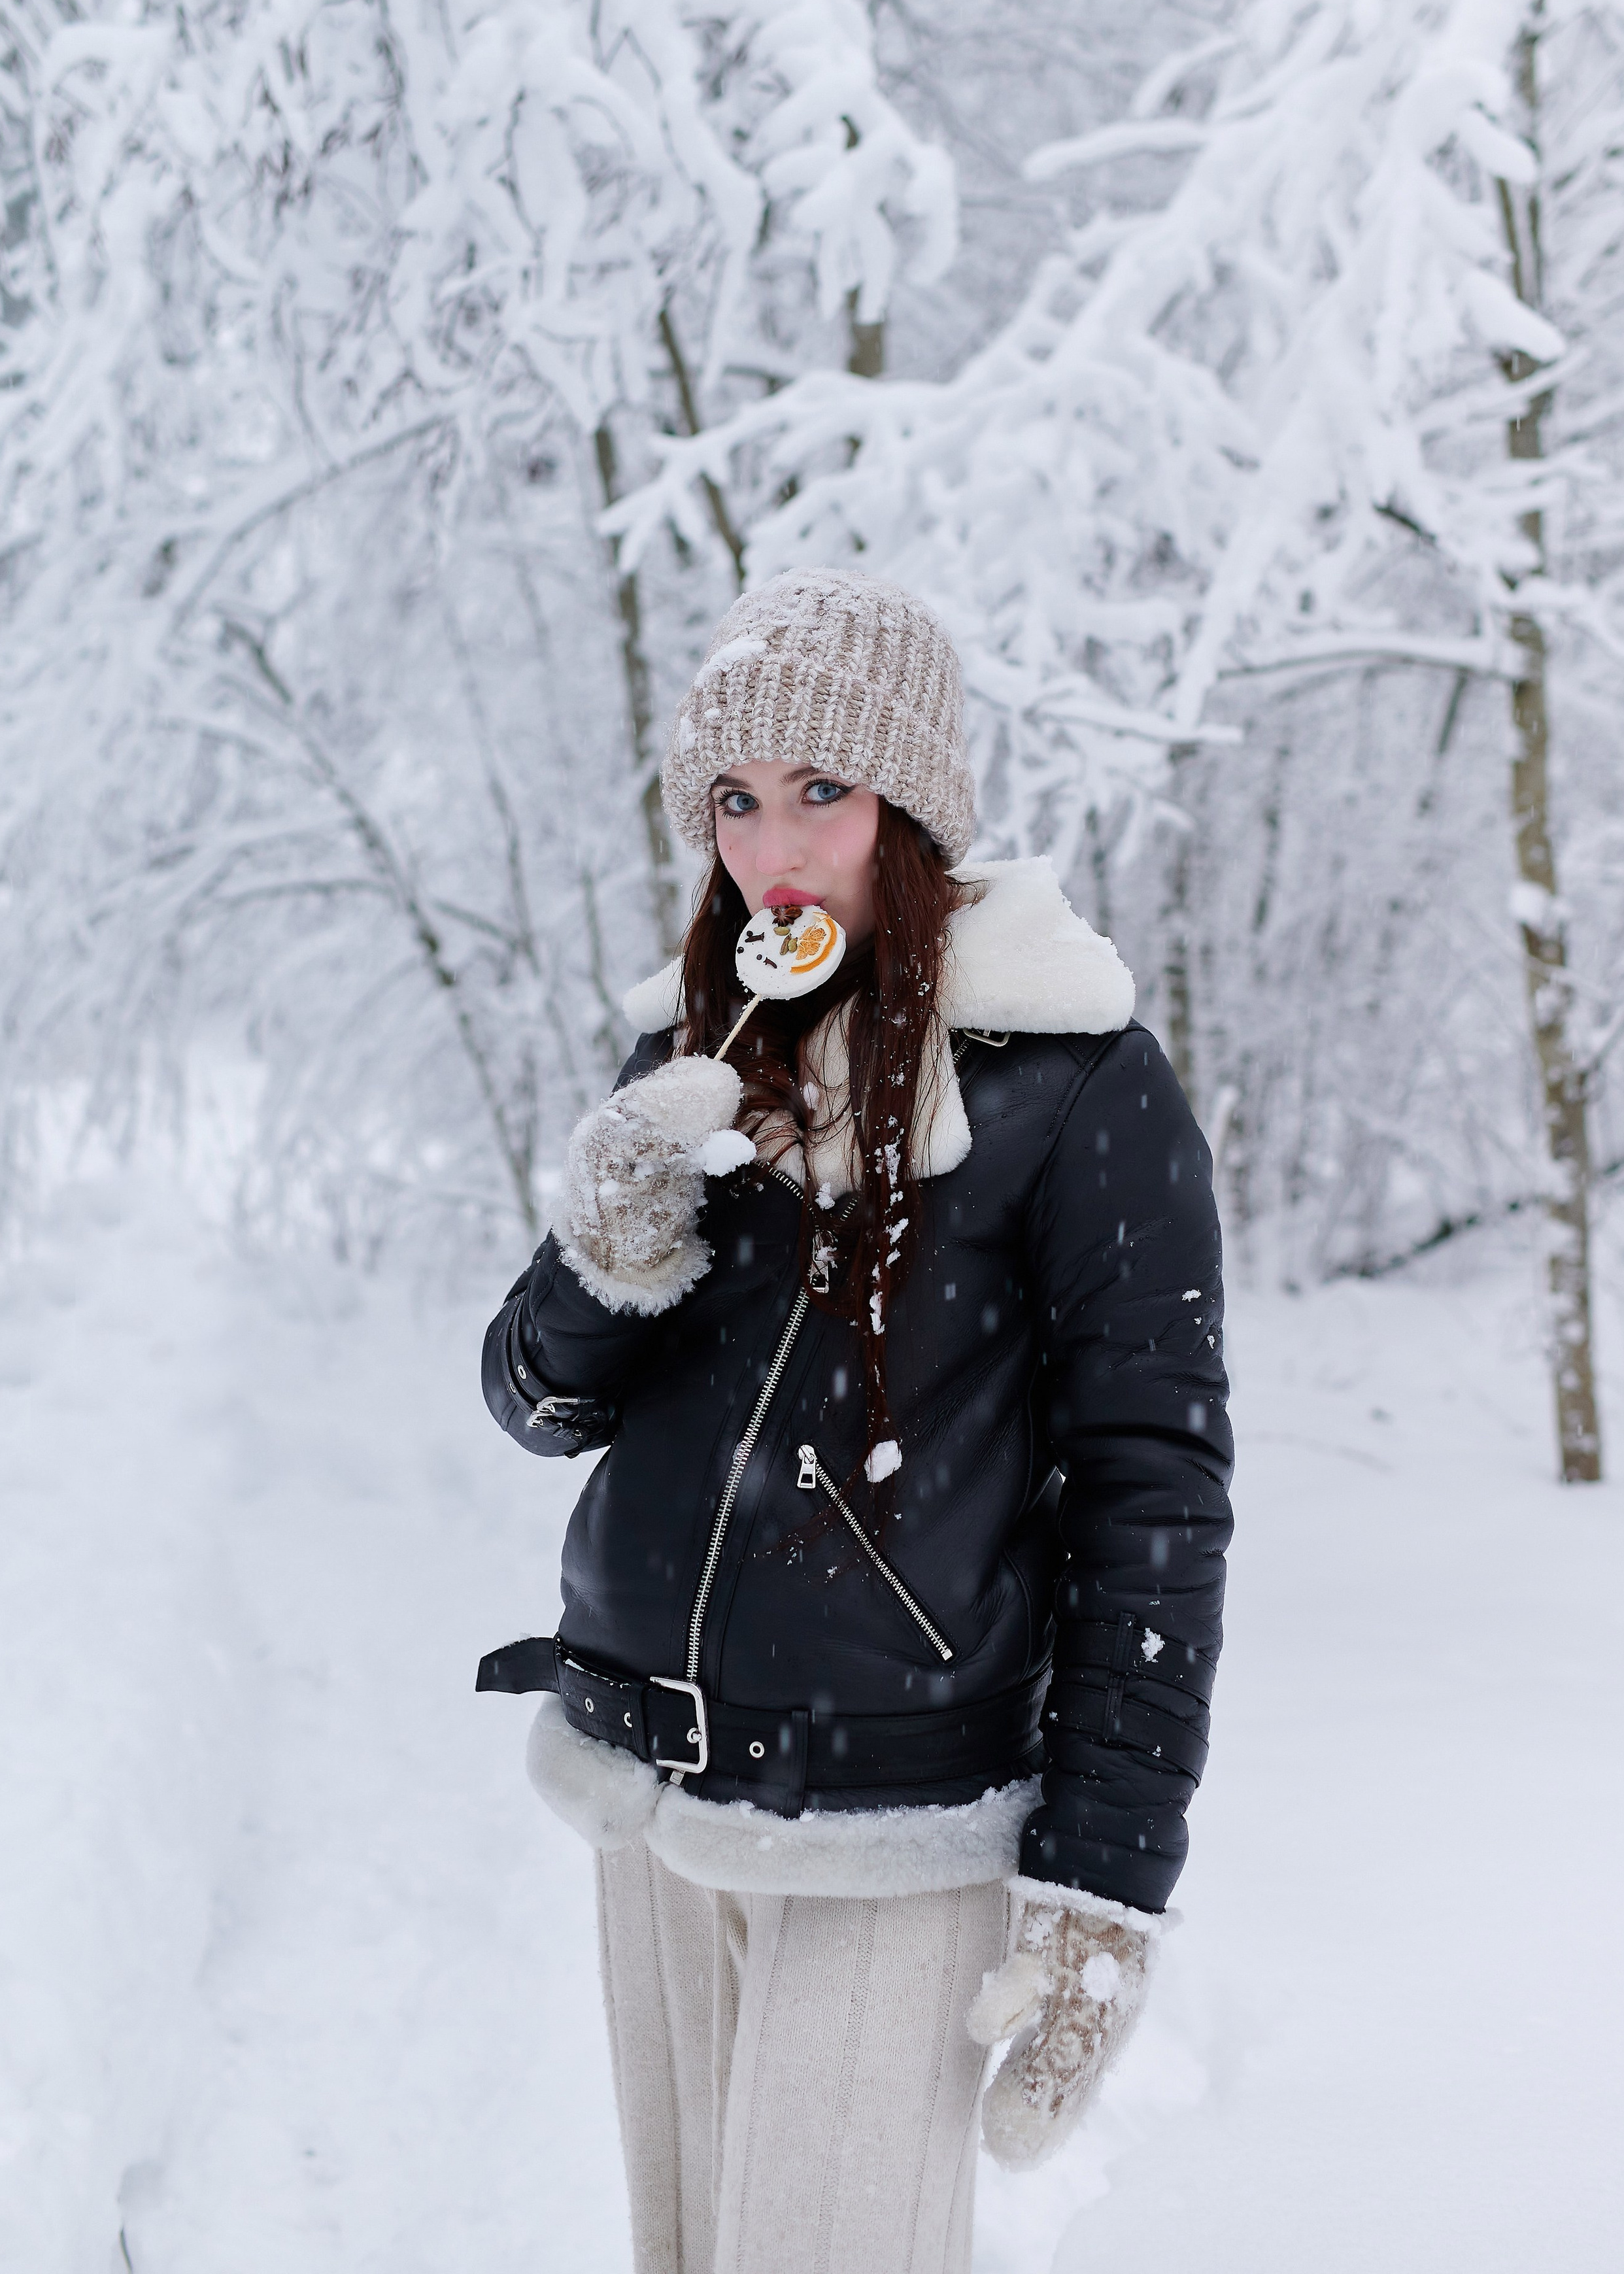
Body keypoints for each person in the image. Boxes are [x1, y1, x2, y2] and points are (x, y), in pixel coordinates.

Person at [479, 569, 1232, 2274]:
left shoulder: (1074, 1080)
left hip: (897, 1831)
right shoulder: (692, 1056)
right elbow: (537, 1405)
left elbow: (1156, 1495)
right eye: (737, 802)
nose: (775, 847)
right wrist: (608, 1242)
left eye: (823, 788)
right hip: (649, 1806)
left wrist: (1108, 1874)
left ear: (913, 805)